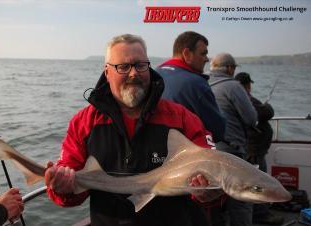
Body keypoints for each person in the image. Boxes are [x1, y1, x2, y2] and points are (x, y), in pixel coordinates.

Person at [45, 34, 220, 226]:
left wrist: (208, 194)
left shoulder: (182, 118)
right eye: (123, 67)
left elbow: (216, 171)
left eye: (140, 65)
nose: (134, 73)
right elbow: (67, 195)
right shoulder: (84, 123)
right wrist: (62, 188)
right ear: (107, 72)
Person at [207, 53, 258, 226]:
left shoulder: (203, 84)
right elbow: (251, 119)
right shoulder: (234, 86)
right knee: (241, 202)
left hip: (208, 151)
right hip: (231, 151)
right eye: (234, 67)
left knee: (212, 200)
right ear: (229, 68)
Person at [156, 31, 226, 143]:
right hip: (187, 154)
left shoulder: (153, 75)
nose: (207, 59)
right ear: (187, 54)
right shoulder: (196, 83)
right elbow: (217, 132)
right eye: (203, 53)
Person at [235, 72, 284, 225]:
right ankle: (261, 215)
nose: (250, 87)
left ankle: (259, 213)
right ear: (246, 85)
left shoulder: (241, 98)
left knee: (257, 183)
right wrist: (267, 105)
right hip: (253, 151)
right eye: (249, 84)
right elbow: (265, 112)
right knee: (258, 185)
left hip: (255, 150)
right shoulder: (245, 98)